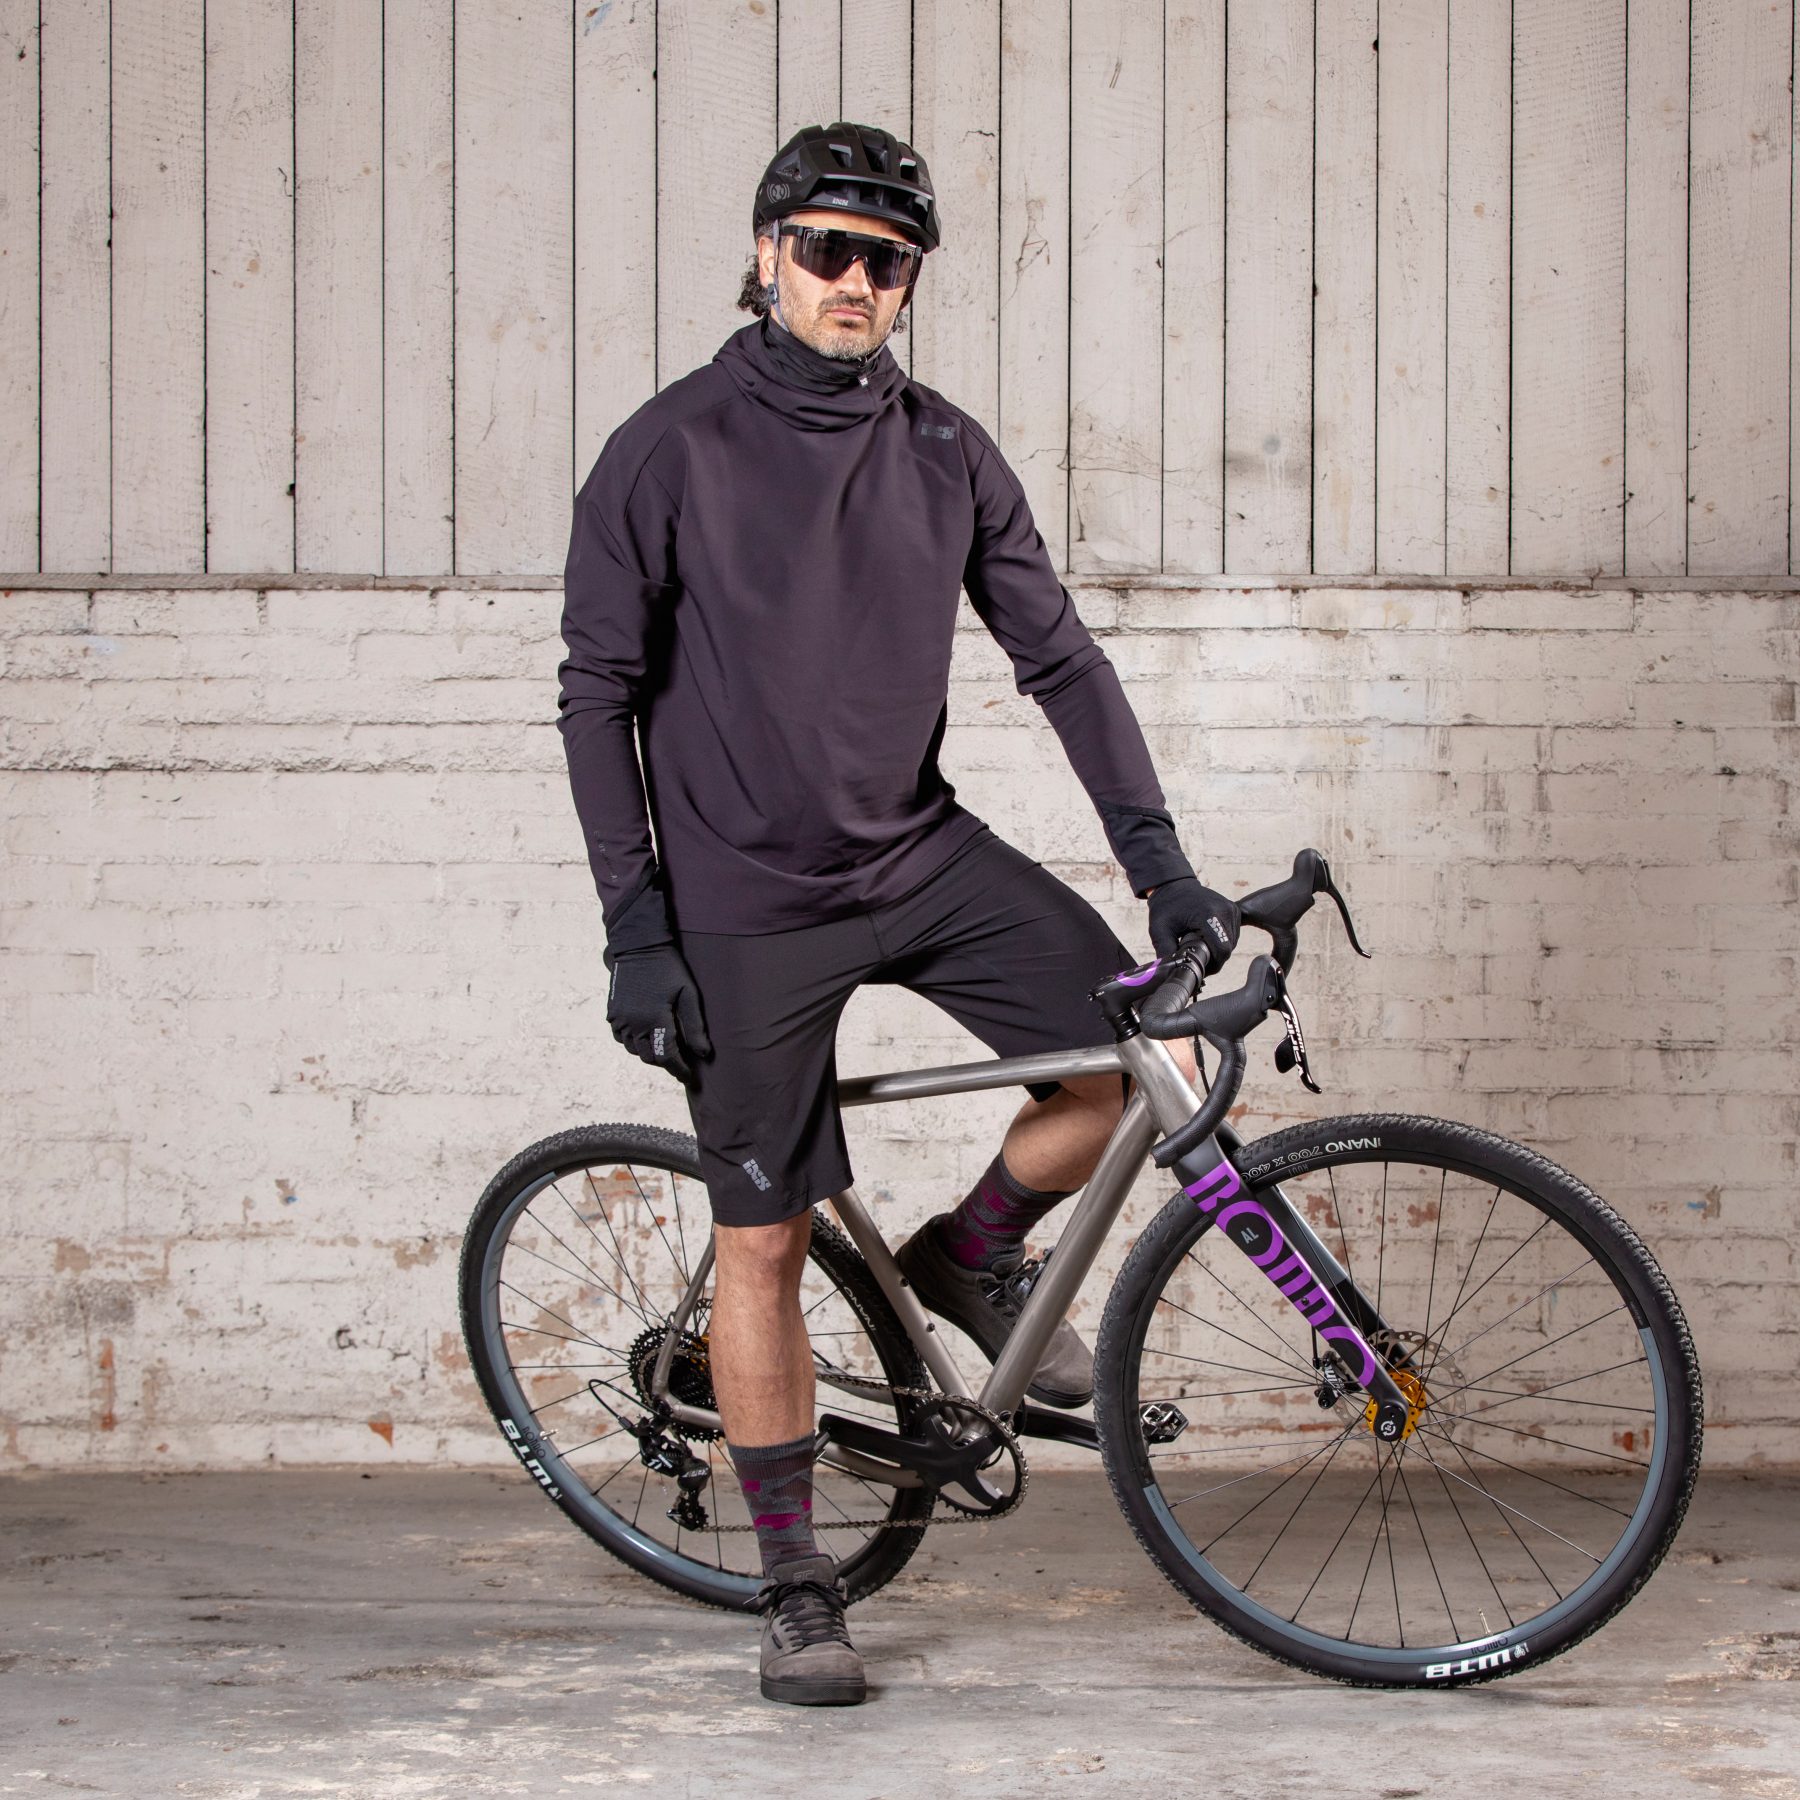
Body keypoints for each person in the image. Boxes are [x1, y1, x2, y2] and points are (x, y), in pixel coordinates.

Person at [556, 121, 1239, 1707]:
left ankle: (965, 1252)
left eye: (889, 261)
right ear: (767, 255)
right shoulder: (668, 451)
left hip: (916, 856)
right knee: (765, 1237)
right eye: (828, 250)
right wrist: (635, 926)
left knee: (1139, 1056)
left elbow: (1059, 659)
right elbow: (597, 694)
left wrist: (1159, 865)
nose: (856, 281)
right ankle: (798, 1581)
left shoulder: (946, 452)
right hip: (744, 902)